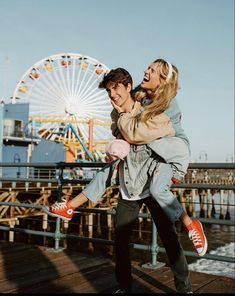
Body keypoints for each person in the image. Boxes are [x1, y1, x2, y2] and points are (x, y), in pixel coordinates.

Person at [43, 62, 205, 293]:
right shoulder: (126, 106)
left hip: (151, 176)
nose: (112, 94)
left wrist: (125, 123)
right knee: (120, 241)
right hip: (130, 181)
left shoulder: (160, 107)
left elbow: (141, 134)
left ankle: (184, 288)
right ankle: (124, 287)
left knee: (169, 239)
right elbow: (121, 134)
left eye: (116, 89)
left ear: (127, 87)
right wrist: (120, 130)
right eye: (108, 90)